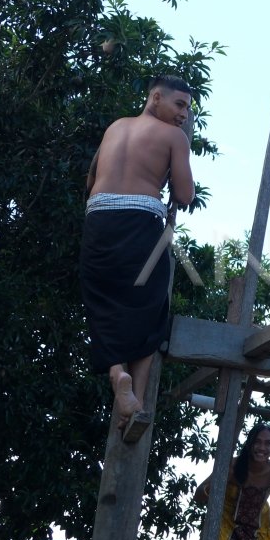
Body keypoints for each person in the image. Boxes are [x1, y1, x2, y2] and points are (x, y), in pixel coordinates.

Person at [81, 75, 195, 440]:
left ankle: (118, 377)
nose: (183, 115)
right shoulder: (174, 137)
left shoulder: (116, 127)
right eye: (179, 105)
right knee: (149, 311)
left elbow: (91, 179)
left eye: (187, 110)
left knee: (102, 303)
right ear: (156, 97)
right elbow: (185, 194)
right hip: (140, 221)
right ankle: (139, 401)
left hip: (98, 218)